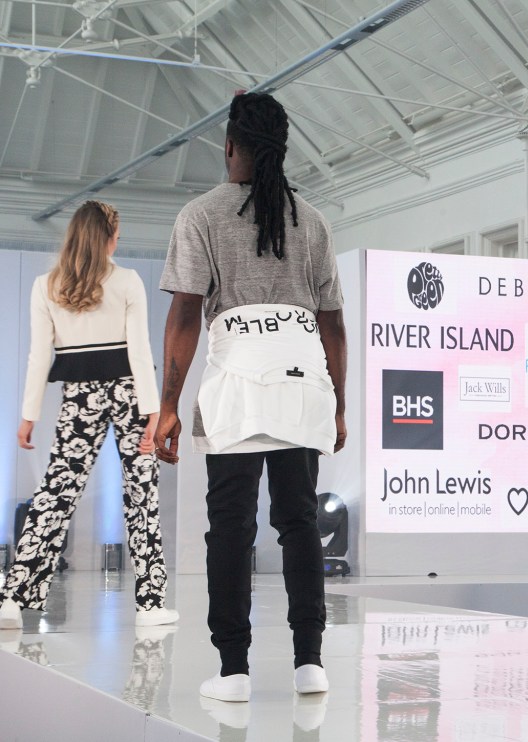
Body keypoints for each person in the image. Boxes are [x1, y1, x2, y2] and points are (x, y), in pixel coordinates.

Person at [156, 91, 347, 703]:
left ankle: (234, 670)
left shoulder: (201, 215)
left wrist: (168, 405)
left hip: (236, 382)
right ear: (283, 149)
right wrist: (339, 404)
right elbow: (333, 324)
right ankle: (309, 663)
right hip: (302, 381)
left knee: (230, 527)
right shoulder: (311, 220)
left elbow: (185, 314)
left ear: (229, 145)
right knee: (299, 521)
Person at [0, 200, 178, 631]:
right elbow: (140, 351)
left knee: (54, 495)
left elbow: (39, 355)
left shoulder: (45, 286)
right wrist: (153, 412)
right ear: (110, 238)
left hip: (79, 396)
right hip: (130, 393)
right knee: (142, 495)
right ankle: (150, 605)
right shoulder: (127, 281)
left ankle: (12, 601)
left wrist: (29, 415)